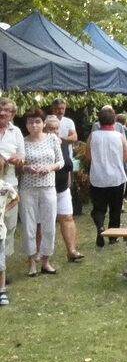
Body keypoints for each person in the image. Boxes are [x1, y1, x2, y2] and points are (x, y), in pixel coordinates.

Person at [19, 107, 63, 276]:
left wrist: (49, 167)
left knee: (49, 225)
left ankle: (45, 260)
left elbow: (60, 161)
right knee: (29, 226)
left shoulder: (52, 139)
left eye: (37, 121)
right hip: (28, 188)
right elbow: (18, 166)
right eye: (31, 122)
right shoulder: (22, 141)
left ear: (44, 123)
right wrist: (25, 168)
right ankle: (31, 262)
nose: (34, 125)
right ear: (26, 124)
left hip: (48, 187)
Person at [86, 107, 127, 248]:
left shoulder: (93, 136)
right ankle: (113, 236)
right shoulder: (120, 137)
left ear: (99, 120)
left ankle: (100, 226)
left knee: (99, 208)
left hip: (98, 177)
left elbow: (87, 157)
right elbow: (126, 157)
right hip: (116, 178)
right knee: (115, 208)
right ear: (114, 120)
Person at [44, 116, 83, 263]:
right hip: (45, 187)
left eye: (56, 129)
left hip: (62, 187)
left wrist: (68, 182)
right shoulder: (40, 144)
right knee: (42, 222)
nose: (54, 132)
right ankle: (39, 254)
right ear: (44, 129)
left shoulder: (63, 143)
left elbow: (67, 165)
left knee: (67, 217)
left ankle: (71, 250)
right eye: (50, 129)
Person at [0, 98, 25, 269]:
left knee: (9, 223)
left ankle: (3, 266)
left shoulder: (15, 132)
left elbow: (22, 157)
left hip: (9, 181)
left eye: (7, 110)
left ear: (13, 114)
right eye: (0, 109)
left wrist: (19, 160)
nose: (2, 113)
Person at [0, 177, 19, 305]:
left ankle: (2, 290)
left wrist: (5, 209)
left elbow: (16, 198)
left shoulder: (4, 186)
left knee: (1, 263)